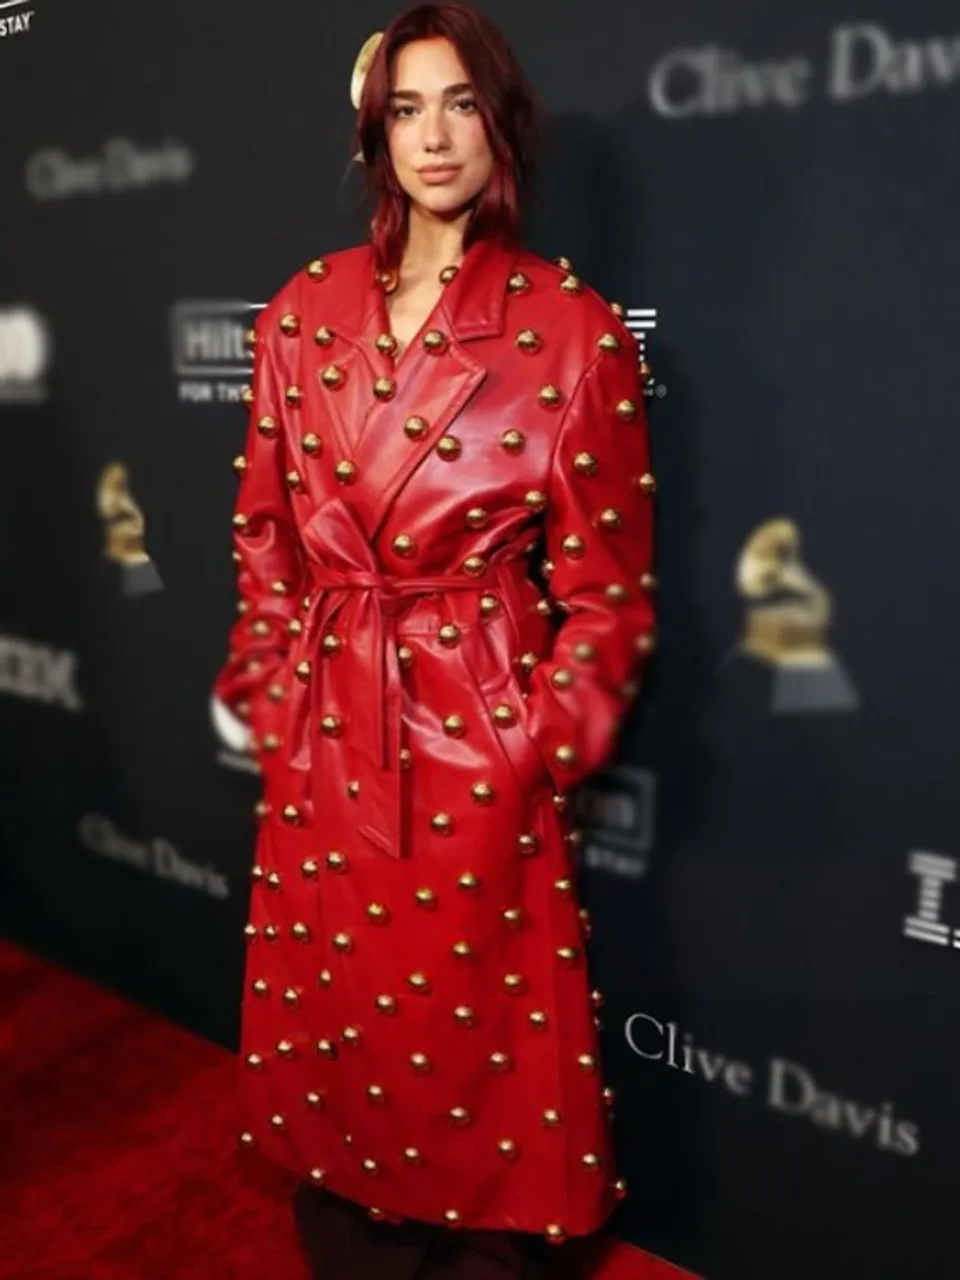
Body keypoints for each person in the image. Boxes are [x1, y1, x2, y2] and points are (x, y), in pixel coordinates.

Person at [213, 3, 657, 1275]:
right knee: (344, 1029)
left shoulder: (568, 328)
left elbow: (609, 591)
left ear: (499, 120)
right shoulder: (300, 313)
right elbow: (263, 535)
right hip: (329, 731)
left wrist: (533, 744)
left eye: (460, 102)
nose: (434, 135)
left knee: (477, 1042)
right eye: (407, 108)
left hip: (475, 727)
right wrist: (280, 699)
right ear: (374, 133)